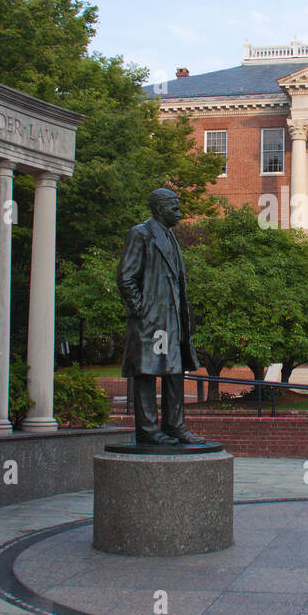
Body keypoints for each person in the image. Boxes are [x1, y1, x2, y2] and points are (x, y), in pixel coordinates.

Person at [117, 188, 208, 447]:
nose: (179, 213)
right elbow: (126, 276)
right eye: (174, 208)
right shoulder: (141, 234)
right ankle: (147, 429)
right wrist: (141, 308)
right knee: (146, 373)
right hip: (151, 319)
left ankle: (175, 426)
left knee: (175, 371)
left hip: (173, 318)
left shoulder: (170, 236)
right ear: (159, 209)